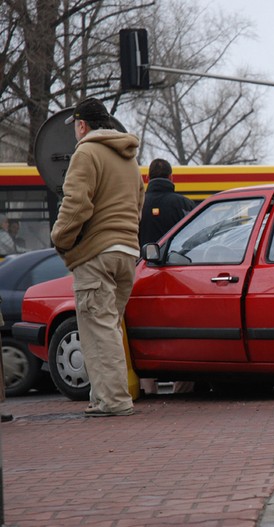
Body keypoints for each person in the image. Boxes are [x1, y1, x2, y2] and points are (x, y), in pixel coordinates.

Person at [51, 97, 144, 417]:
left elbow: (76, 204)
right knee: (109, 327)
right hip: (126, 253)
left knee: (97, 330)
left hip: (97, 253)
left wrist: (59, 238)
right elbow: (138, 203)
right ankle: (103, 396)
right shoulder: (129, 157)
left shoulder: (87, 152)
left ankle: (113, 401)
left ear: (81, 125)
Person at [138, 158, 196, 395]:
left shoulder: (136, 204)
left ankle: (147, 389)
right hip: (178, 279)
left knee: (144, 334)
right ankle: (181, 388)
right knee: (181, 333)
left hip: (142, 279)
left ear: (147, 179)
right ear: (172, 178)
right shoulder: (183, 204)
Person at [139, 158, 196, 247]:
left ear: (148, 177)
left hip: (142, 259)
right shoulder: (185, 204)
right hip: (175, 259)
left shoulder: (137, 203)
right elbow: (193, 236)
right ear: (171, 177)